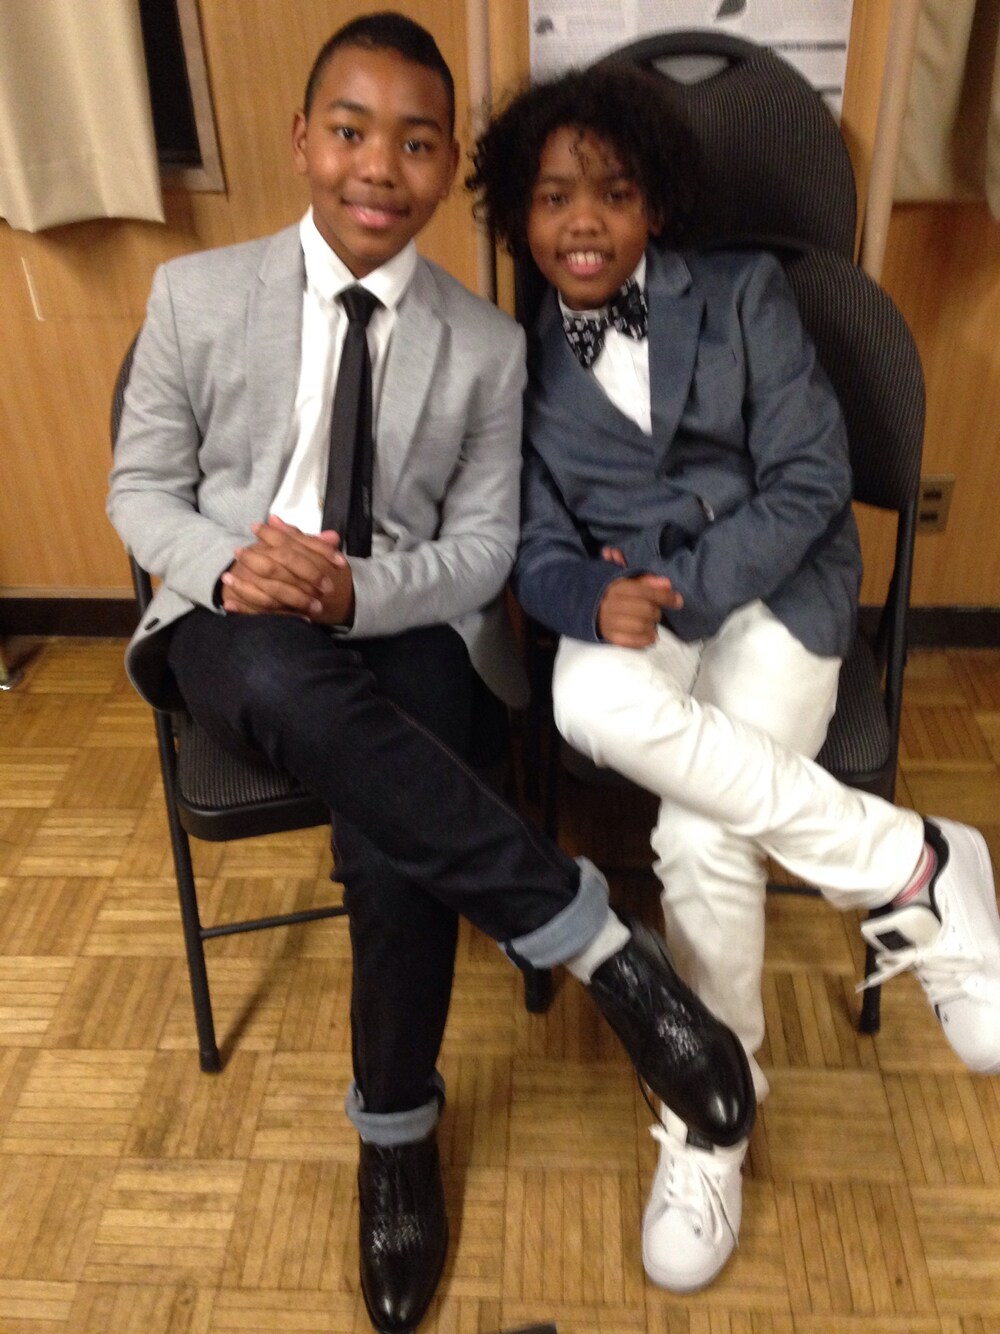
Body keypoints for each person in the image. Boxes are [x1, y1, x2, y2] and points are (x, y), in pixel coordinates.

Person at [108, 15, 755, 1334]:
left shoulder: (486, 344)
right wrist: (241, 565)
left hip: (402, 620)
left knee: (390, 818)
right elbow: (141, 488)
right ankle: (605, 950)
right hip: (234, 616)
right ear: (304, 140)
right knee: (290, 685)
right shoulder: (193, 295)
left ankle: (395, 1131)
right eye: (351, 132)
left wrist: (356, 590)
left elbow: (482, 551)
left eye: (414, 143)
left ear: (449, 161)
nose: (378, 168)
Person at [467, 62, 1000, 1295]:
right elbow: (533, 543)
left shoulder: (746, 289)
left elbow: (810, 479)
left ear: (656, 205)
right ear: (518, 212)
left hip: (775, 589)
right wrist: (583, 596)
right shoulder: (514, 360)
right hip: (633, 604)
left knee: (701, 833)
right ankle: (909, 860)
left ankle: (710, 1112)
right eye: (553, 196)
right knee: (581, 695)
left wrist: (685, 580)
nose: (583, 220)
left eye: (612, 193)